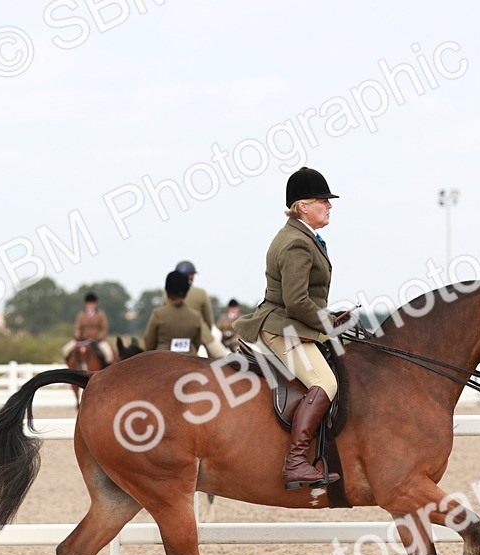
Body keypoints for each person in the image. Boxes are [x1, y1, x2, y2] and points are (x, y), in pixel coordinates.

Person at [233, 166, 350, 490]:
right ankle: (296, 462)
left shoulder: (303, 237)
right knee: (325, 382)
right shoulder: (296, 243)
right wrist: (326, 323)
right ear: (302, 206)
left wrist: (330, 319)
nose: (329, 205)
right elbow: (297, 301)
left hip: (295, 323)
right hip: (282, 327)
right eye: (322, 200)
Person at [144, 272, 214, 355]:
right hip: (191, 357)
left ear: (167, 290)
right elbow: (197, 343)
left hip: (162, 358)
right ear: (186, 291)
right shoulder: (196, 316)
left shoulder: (158, 314)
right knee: (220, 360)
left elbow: (149, 343)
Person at [173, 261, 229, 358]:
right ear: (190, 276)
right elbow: (208, 319)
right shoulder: (200, 293)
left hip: (173, 334)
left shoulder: (167, 294)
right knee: (225, 357)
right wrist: (207, 329)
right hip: (201, 334)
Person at [63, 292, 114, 366]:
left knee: (109, 354)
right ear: (86, 304)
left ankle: (105, 373)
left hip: (97, 341)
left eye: (92, 303)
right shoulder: (81, 315)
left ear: (95, 304)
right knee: (65, 350)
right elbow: (77, 328)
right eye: (88, 303)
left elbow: (104, 329)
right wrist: (78, 336)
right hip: (82, 340)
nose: (90, 305)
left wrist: (97, 338)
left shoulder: (100, 314)